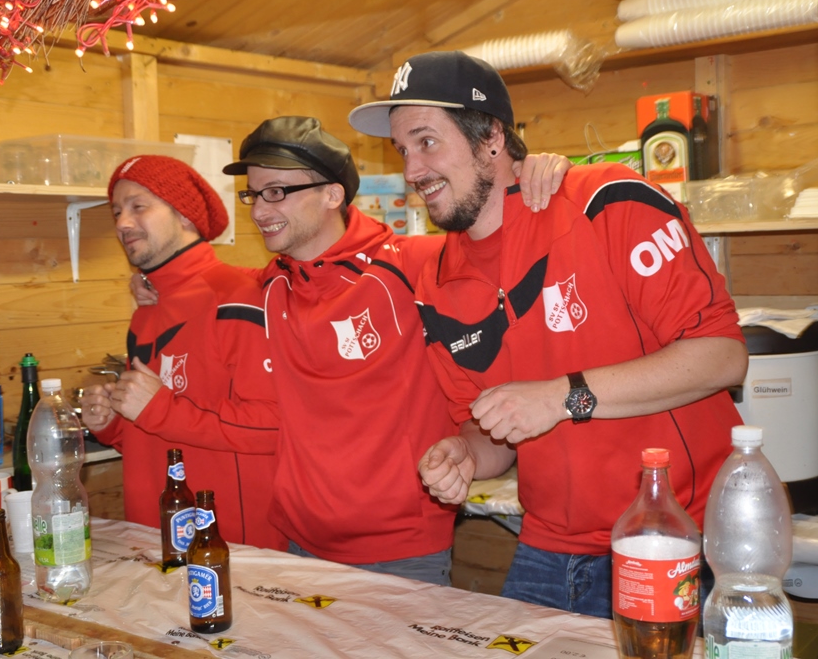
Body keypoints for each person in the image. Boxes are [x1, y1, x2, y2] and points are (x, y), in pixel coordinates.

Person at [348, 50, 748, 617]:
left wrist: (563, 396)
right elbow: (491, 429)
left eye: (427, 142)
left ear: (491, 137)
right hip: (548, 547)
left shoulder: (606, 201)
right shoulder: (436, 281)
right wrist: (465, 452)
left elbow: (722, 356)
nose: (413, 171)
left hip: (676, 536)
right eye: (402, 150)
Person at [130, 117, 571, 584]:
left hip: (400, 552)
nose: (259, 210)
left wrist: (533, 176)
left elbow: (503, 244)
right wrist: (153, 282)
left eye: (276, 192)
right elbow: (203, 282)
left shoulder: (413, 263)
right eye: (253, 195)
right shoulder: (273, 283)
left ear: (332, 194)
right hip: (298, 542)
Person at [79, 155, 286, 551]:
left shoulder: (238, 300)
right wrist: (112, 423)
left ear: (185, 216)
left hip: (233, 550)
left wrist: (157, 408)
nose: (123, 223)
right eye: (117, 211)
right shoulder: (145, 312)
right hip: (151, 543)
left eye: (139, 206)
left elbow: (273, 427)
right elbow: (156, 432)